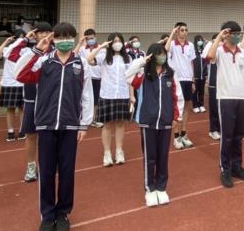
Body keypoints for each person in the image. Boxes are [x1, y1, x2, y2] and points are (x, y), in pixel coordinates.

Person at [16, 24, 94, 231]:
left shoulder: (81, 64)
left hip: (70, 125)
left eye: (69, 36)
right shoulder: (44, 61)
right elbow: (20, 74)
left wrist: (84, 123)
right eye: (60, 37)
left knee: (67, 172)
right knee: (48, 171)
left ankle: (63, 213)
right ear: (53, 39)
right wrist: (37, 50)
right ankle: (47, 215)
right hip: (47, 124)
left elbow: (87, 95)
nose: (65, 40)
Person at [127, 43, 184, 206]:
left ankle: (161, 187)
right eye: (158, 53)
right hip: (148, 122)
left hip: (166, 121)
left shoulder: (170, 74)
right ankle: (149, 189)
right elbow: (127, 76)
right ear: (152, 56)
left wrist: (176, 117)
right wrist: (141, 62)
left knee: (163, 157)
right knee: (150, 157)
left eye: (164, 53)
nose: (162, 56)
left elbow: (177, 96)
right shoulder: (143, 74)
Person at [206, 21, 244, 188]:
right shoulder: (219, 50)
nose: (237, 36)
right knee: (226, 136)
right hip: (225, 97)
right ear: (226, 34)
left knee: (239, 135)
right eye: (233, 33)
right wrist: (220, 36)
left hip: (241, 97)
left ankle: (236, 166)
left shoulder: (243, 53)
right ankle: (225, 169)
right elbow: (209, 57)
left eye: (238, 33)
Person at [87, 33, 134, 166]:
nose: (117, 43)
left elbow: (130, 78)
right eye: (114, 41)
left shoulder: (127, 58)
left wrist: (132, 95)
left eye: (119, 41)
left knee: (120, 124)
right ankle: (107, 153)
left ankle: (119, 151)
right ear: (109, 43)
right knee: (107, 125)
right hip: (108, 94)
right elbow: (89, 60)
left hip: (123, 95)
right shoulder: (103, 57)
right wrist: (101, 47)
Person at [16, 21, 53, 182]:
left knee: (49, 135)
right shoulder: (28, 51)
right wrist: (26, 41)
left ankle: (47, 165)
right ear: (35, 34)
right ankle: (31, 165)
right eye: (41, 32)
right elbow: (14, 62)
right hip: (31, 99)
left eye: (47, 32)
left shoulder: (56, 52)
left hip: (50, 100)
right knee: (31, 135)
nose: (44, 35)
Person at [166, 22, 196, 149]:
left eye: (185, 30)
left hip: (188, 79)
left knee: (186, 107)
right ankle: (176, 136)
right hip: (176, 80)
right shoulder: (172, 44)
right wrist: (172, 34)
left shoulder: (191, 45)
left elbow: (191, 63)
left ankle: (184, 134)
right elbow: (165, 50)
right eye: (181, 30)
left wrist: (193, 80)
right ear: (177, 32)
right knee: (176, 108)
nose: (184, 32)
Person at [0, 30, 27, 141]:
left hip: (22, 82)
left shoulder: (27, 50)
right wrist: (6, 42)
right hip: (9, 83)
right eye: (19, 37)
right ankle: (10, 132)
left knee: (22, 108)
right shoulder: (8, 49)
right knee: (10, 108)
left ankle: (23, 130)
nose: (21, 40)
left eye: (23, 37)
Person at [79, 29, 103, 128]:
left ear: (95, 37)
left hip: (97, 77)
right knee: (84, 98)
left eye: (92, 38)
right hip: (85, 77)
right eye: (88, 39)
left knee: (95, 100)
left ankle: (93, 119)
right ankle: (82, 118)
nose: (90, 40)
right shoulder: (82, 49)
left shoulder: (102, 48)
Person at [201, 37, 221, 140]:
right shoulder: (212, 50)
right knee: (214, 108)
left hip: (223, 84)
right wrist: (213, 43)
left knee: (222, 108)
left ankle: (220, 128)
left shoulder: (224, 50)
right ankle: (213, 130)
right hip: (214, 83)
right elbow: (205, 56)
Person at [192, 35, 208, 114]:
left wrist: (207, 42)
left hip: (203, 75)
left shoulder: (204, 51)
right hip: (196, 75)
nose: (200, 41)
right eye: (198, 40)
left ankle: (201, 105)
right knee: (195, 91)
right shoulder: (193, 51)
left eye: (201, 40)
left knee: (201, 91)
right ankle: (195, 105)